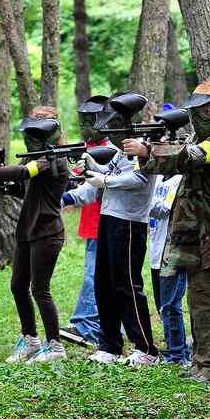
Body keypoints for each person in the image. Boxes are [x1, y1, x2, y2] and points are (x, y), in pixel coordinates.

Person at [123, 81, 210, 384]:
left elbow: (190, 156)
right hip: (194, 228)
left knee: (209, 299)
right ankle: (202, 362)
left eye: (208, 110)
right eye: (198, 111)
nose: (202, 116)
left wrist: (146, 149)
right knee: (197, 299)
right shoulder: (201, 137)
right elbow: (178, 158)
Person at [0, 106, 70, 363]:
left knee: (40, 289)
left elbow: (25, 172)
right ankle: (31, 339)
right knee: (18, 286)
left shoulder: (54, 159)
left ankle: (56, 346)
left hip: (47, 231)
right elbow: (24, 188)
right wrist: (1, 179)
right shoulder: (33, 157)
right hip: (28, 229)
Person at [79, 91, 158, 366]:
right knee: (103, 283)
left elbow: (139, 179)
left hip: (129, 222)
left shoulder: (143, 145)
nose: (111, 129)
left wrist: (105, 181)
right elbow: (110, 171)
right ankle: (110, 345)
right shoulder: (122, 150)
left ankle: (145, 348)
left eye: (114, 123)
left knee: (127, 285)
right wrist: (93, 167)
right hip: (109, 217)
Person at [59, 95, 109, 347]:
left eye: (92, 119)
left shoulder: (109, 149)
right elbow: (72, 178)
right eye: (85, 119)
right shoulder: (89, 148)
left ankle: (84, 325)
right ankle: (102, 324)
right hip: (92, 222)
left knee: (93, 274)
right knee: (99, 274)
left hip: (103, 220)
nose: (87, 125)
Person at [148, 172, 190, 365]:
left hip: (173, 254)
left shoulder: (179, 180)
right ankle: (177, 348)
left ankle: (177, 354)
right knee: (162, 306)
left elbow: (165, 208)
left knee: (170, 305)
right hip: (156, 252)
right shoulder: (157, 178)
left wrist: (142, 197)